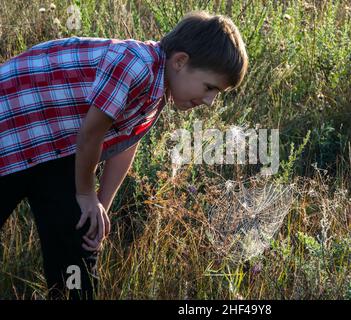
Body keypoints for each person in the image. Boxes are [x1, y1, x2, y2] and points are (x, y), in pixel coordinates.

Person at [0, 10, 248, 300]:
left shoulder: (156, 93)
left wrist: (98, 209)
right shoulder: (136, 64)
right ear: (180, 62)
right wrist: (85, 195)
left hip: (53, 148)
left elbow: (124, 146)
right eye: (209, 88)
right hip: (10, 132)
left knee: (77, 241)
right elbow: (91, 134)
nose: (209, 101)